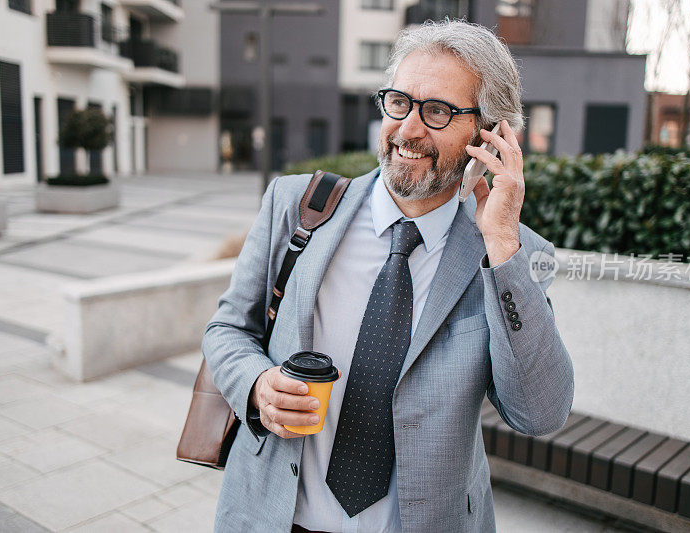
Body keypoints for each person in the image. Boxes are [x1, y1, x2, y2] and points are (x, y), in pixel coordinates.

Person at [202, 19, 574, 533]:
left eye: (438, 111)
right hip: (273, 518)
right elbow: (227, 331)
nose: (409, 129)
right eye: (399, 102)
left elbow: (540, 412)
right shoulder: (296, 207)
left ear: (487, 133)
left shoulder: (510, 254)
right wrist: (257, 383)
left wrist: (502, 246)